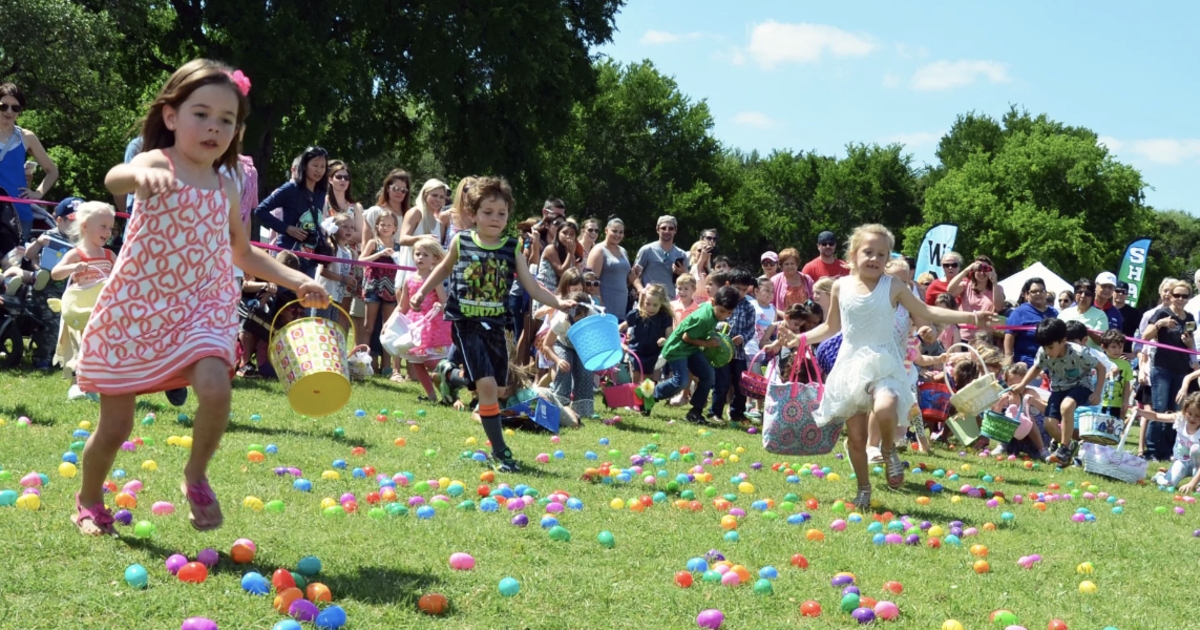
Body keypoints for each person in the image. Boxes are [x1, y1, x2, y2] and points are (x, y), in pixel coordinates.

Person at [74, 60, 329, 536]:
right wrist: (135, 179)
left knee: (216, 386)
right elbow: (114, 178)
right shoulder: (157, 162)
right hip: (137, 309)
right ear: (171, 116)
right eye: (201, 114)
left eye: (226, 120)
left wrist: (296, 280)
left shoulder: (227, 184)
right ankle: (89, 499)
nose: (214, 127)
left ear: (237, 130)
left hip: (200, 308)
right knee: (115, 428)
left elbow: (241, 251)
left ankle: (195, 474)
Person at [768, 224, 989, 510]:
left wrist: (972, 317)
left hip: (884, 360)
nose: (874, 258)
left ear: (887, 259)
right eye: (868, 252)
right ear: (853, 254)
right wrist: (798, 339)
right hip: (850, 364)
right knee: (856, 438)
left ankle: (888, 449)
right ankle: (863, 489)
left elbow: (926, 310)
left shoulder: (893, 286)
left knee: (887, 405)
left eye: (881, 254)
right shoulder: (840, 287)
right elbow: (830, 327)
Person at [411, 177, 573, 473]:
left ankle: (450, 375)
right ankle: (501, 452)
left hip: (496, 325)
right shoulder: (461, 241)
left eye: (501, 213)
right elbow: (443, 268)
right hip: (466, 322)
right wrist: (422, 291)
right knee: (486, 387)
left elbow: (531, 285)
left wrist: (558, 302)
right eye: (488, 212)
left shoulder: (512, 247)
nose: (495, 218)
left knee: (499, 390)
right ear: (473, 214)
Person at [1010, 318, 1104, 466]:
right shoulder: (1043, 352)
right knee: (1049, 424)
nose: (1047, 351)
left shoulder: (1079, 352)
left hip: (1081, 386)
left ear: (1063, 341)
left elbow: (1101, 368)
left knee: (1067, 406)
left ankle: (1064, 449)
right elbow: (1036, 368)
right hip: (1058, 389)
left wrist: (1097, 392)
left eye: (1050, 347)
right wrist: (1022, 384)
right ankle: (1070, 447)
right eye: (1044, 347)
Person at [47, 202, 115, 397]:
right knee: (80, 346)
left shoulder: (109, 255)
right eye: (103, 226)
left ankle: (97, 385)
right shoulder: (76, 254)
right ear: (85, 226)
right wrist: (72, 267)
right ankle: (77, 385)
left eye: (110, 228)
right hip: (81, 311)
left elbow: (122, 275)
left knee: (101, 348)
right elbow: (55, 273)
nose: (108, 232)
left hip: (102, 310)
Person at [651, 285, 739, 425]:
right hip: (678, 348)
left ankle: (695, 412)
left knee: (708, 375)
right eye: (722, 311)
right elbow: (686, 337)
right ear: (713, 302)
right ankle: (649, 396)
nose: (724, 315)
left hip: (691, 349)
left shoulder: (711, 310)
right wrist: (707, 343)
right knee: (680, 381)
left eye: (729, 313)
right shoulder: (704, 318)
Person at [1142, 279, 1198, 461]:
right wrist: (1160, 324)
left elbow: (1191, 344)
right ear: (1171, 296)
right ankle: (1151, 450)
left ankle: (1167, 450)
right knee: (1159, 407)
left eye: (1184, 296)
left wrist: (1189, 343)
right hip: (1162, 368)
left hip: (1181, 369)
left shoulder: (1189, 318)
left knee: (1176, 411)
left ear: (1188, 298)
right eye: (1177, 295)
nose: (1180, 299)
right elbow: (1145, 336)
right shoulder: (1162, 313)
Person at [254, 145, 330, 277]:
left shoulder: (321, 192)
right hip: (288, 257)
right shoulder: (290, 189)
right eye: (315, 165)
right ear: (304, 166)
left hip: (310, 261)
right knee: (285, 291)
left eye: (322, 166)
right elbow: (260, 210)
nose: (319, 170)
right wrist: (287, 228)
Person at [0, 83, 59, 241]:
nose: (9, 111)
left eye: (15, 108)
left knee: (14, 258)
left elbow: (52, 171)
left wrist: (37, 193)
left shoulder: (27, 137)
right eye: (3, 106)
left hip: (19, 214)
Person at [396, 237, 453, 401]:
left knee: (433, 363)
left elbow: (444, 302)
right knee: (416, 362)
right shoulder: (408, 279)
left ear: (434, 259)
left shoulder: (435, 279)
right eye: (417, 254)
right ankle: (431, 395)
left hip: (432, 326)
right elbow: (402, 306)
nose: (420, 258)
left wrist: (439, 306)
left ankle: (449, 392)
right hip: (415, 326)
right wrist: (390, 322)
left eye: (425, 255)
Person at [542, 292, 601, 425]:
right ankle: (560, 405)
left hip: (581, 347)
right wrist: (558, 361)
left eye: (580, 319)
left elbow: (601, 337)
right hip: (563, 345)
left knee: (586, 371)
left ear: (585, 314)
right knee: (565, 366)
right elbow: (547, 345)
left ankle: (583, 410)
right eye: (574, 319)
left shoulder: (592, 316)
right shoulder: (560, 320)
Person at [712, 270, 757, 425]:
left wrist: (743, 337)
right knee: (722, 383)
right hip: (722, 352)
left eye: (744, 289)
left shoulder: (749, 307)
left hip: (739, 353)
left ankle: (737, 412)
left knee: (740, 384)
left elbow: (751, 329)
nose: (741, 293)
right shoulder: (722, 302)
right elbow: (713, 321)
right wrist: (721, 327)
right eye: (737, 288)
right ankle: (715, 412)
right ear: (728, 285)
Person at [360, 212, 401, 381]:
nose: (385, 227)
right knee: (369, 326)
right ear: (377, 226)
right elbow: (361, 260)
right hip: (373, 286)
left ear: (395, 228)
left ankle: (387, 365)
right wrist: (380, 253)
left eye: (389, 225)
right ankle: (367, 362)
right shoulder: (373, 243)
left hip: (391, 288)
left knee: (388, 327)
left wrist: (394, 255)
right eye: (382, 224)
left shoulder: (398, 246)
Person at [1139, 393, 1200, 492]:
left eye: (1198, 416)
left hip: (1198, 464)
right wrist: (1140, 412)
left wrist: (1192, 484)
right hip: (1182, 462)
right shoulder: (1181, 419)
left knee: (1196, 449)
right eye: (1190, 413)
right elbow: (1156, 416)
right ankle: (1160, 476)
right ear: (1185, 410)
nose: (1193, 418)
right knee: (1167, 484)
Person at [396, 178, 449, 285]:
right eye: (434, 195)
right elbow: (402, 239)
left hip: (429, 282)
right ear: (425, 194)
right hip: (408, 277)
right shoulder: (415, 213)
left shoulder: (440, 225)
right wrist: (422, 238)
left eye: (441, 197)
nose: (438, 199)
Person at [620, 283, 674, 383]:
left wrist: (665, 340)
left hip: (652, 353)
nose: (650, 308)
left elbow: (670, 337)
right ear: (643, 301)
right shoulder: (637, 314)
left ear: (661, 303)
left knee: (646, 380)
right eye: (648, 304)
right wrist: (619, 340)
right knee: (636, 375)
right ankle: (634, 391)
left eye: (655, 305)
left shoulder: (664, 317)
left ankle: (645, 392)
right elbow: (622, 327)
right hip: (636, 350)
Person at [316, 213, 358, 331]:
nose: (349, 230)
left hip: (336, 297)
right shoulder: (331, 248)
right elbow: (323, 271)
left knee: (331, 329)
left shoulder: (349, 252)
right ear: (335, 228)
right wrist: (343, 279)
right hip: (324, 295)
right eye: (345, 226)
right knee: (321, 328)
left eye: (352, 227)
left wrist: (350, 280)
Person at [1004, 278, 1058, 368]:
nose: (1038, 294)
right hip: (1027, 364)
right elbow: (1009, 336)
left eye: (1041, 291)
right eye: (1034, 291)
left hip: (1052, 364)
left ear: (1045, 293)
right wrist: (1008, 362)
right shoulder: (1019, 312)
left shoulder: (1054, 312)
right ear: (1027, 294)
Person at [587, 217, 634, 316]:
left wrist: (641, 288)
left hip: (621, 305)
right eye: (614, 231)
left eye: (621, 232)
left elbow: (628, 276)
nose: (618, 235)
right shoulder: (599, 250)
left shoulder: (623, 251)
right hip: (604, 306)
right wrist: (600, 306)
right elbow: (592, 282)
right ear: (606, 230)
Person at [634, 215, 689, 298]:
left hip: (671, 300)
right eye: (663, 228)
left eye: (671, 228)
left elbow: (689, 280)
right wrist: (640, 290)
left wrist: (683, 273)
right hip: (650, 299)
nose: (667, 231)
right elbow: (634, 274)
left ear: (675, 230)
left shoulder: (681, 254)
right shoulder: (647, 250)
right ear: (657, 229)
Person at [945, 256, 1005, 324]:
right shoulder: (966, 286)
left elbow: (999, 307)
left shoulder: (997, 288)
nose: (982, 273)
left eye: (985, 270)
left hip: (985, 328)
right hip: (965, 327)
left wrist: (994, 282)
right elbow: (949, 290)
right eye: (979, 269)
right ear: (973, 271)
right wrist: (967, 269)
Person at [361, 169, 412, 247]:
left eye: (403, 190)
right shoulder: (374, 212)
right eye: (395, 189)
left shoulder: (409, 216)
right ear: (388, 188)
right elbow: (365, 245)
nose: (399, 192)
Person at [1057, 279, 1108, 349]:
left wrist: (1088, 332)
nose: (1083, 296)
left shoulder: (1100, 315)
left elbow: (1102, 341)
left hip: (1091, 355)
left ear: (1092, 296)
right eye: (1079, 292)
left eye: (1087, 294)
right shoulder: (1064, 313)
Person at [1100, 329, 1133, 421]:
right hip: (1100, 402)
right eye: (1113, 347)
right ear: (1104, 347)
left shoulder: (1126, 364)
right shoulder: (1100, 361)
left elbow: (1127, 384)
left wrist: (1125, 401)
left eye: (1120, 347)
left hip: (1117, 404)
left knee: (1113, 427)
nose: (1117, 350)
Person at [770, 248, 813, 313]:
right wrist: (783, 315)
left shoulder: (807, 279)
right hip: (783, 318)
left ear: (797, 264)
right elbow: (769, 304)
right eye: (786, 264)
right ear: (781, 266)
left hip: (806, 318)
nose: (789, 266)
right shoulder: (774, 280)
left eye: (792, 263)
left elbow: (814, 300)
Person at [1114, 280, 1141, 354]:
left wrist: (1135, 354)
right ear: (1113, 292)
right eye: (1117, 291)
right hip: (1103, 352)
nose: (1120, 294)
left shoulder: (1134, 313)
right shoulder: (1106, 309)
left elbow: (1144, 333)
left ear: (1127, 294)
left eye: (1124, 292)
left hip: (1123, 354)